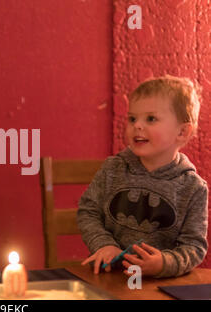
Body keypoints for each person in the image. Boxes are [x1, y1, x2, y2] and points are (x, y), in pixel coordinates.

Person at [77, 75, 208, 278]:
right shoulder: (113, 168)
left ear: (182, 132)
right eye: (132, 118)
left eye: (151, 119)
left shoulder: (192, 187)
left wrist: (164, 263)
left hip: (158, 285)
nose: (137, 125)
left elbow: (194, 246)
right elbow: (88, 211)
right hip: (112, 276)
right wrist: (104, 245)